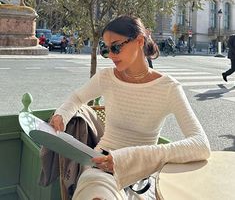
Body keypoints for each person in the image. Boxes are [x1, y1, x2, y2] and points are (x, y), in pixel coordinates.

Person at [50, 15, 210, 200]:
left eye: (116, 47)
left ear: (140, 41)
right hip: (100, 167)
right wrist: (62, 114)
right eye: (106, 49)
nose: (110, 55)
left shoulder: (168, 88)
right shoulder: (106, 77)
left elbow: (200, 145)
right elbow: (77, 97)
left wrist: (128, 158)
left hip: (142, 177)